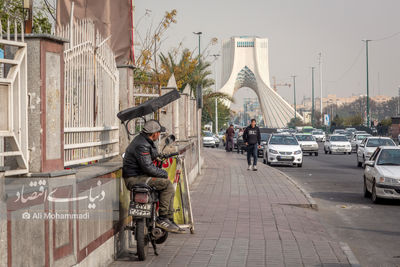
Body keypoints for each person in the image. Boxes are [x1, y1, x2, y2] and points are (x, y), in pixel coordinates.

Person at [123, 120, 180, 233]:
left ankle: (169, 218)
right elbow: (148, 167)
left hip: (138, 176)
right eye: (159, 133)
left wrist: (158, 155)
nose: (159, 135)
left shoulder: (144, 141)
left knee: (164, 183)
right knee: (167, 184)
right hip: (135, 179)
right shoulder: (142, 145)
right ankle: (163, 217)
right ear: (154, 133)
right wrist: (164, 174)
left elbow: (151, 155)